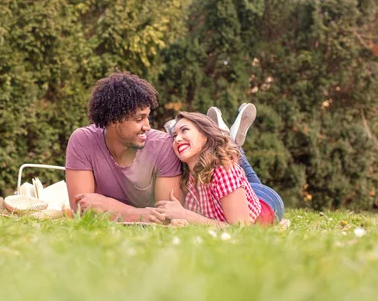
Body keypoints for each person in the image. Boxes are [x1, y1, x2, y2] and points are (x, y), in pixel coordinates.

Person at [65, 70, 183, 223]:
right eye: (139, 119)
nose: (147, 126)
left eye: (147, 117)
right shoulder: (83, 141)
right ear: (114, 119)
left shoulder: (163, 146)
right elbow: (81, 211)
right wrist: (144, 215)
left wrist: (107, 206)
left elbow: (168, 218)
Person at [154, 110, 284, 226]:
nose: (177, 139)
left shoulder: (223, 170)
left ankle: (229, 139)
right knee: (229, 156)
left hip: (266, 201)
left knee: (230, 158)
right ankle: (228, 138)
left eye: (184, 130)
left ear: (205, 135)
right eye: (174, 135)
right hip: (238, 193)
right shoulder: (186, 176)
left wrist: (185, 215)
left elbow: (240, 228)